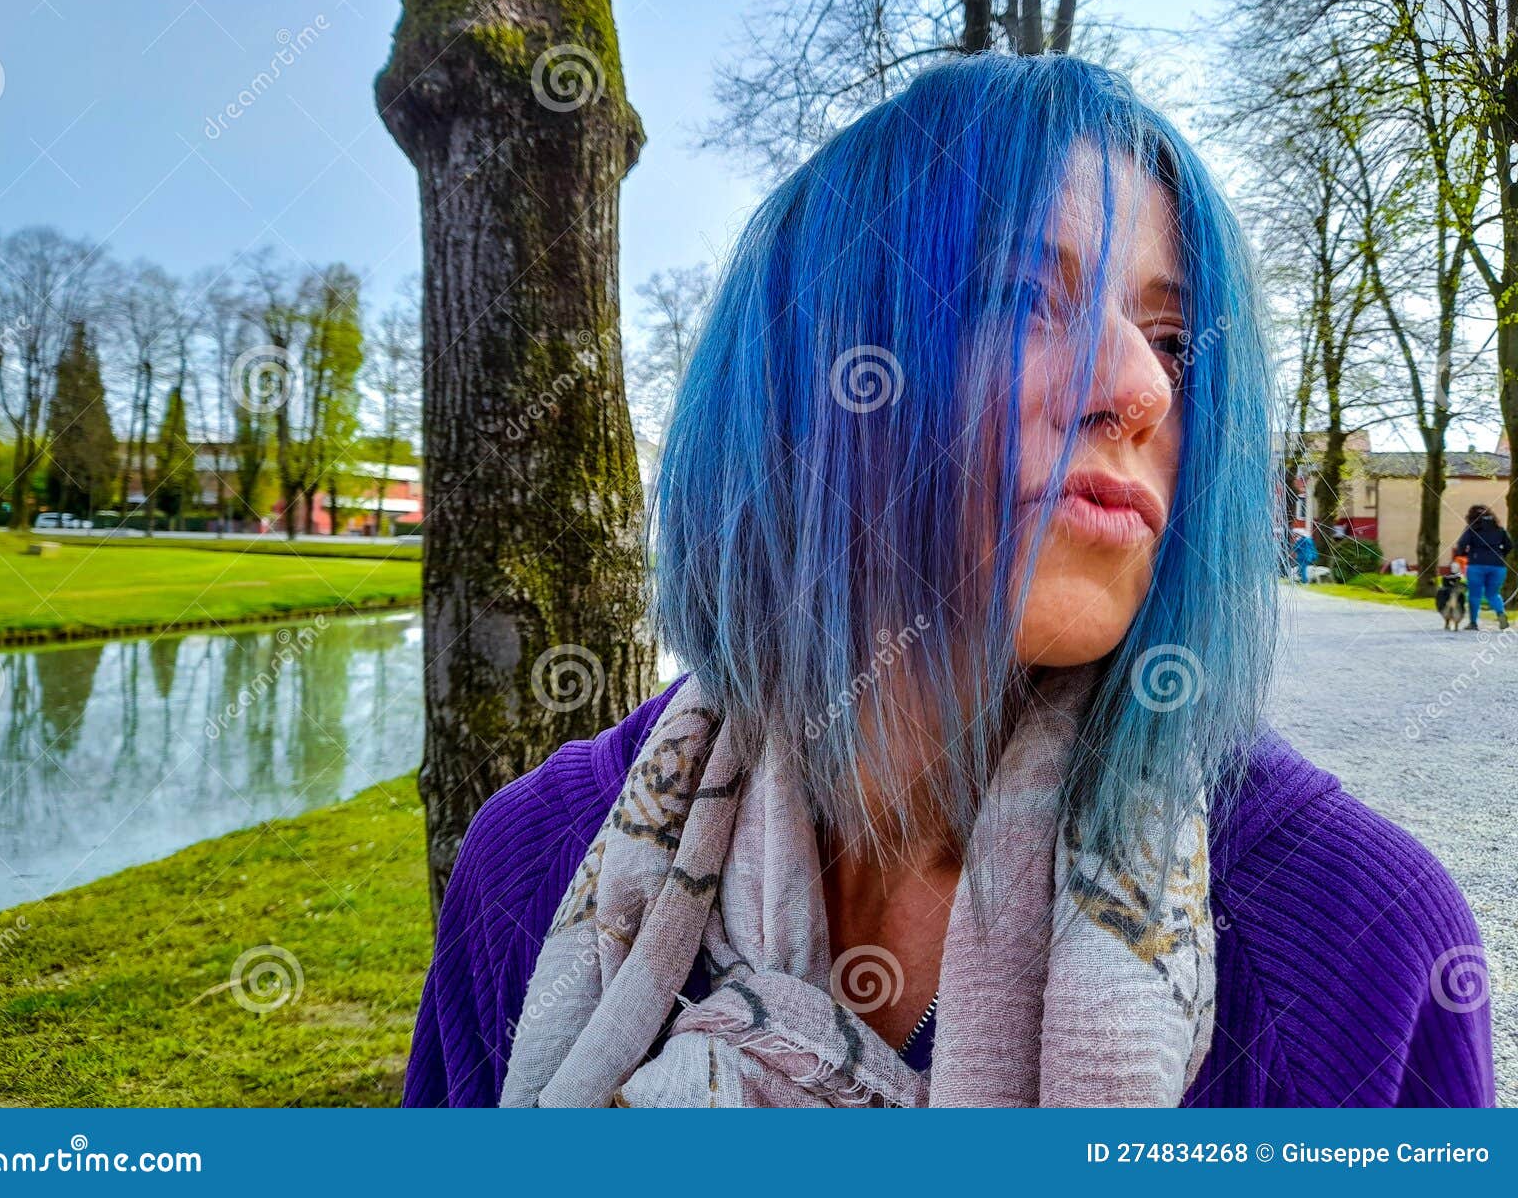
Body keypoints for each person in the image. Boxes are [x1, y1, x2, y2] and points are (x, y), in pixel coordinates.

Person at [403, 55, 1493, 1108]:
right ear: (806, 384)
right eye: (1025, 298)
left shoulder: (1354, 947)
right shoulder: (533, 865)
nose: (1138, 389)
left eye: (1172, 340)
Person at [1453, 504, 1511, 631]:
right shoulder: (1499, 529)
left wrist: (1465, 554)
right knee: (1493, 594)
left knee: (1475, 595)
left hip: (1476, 564)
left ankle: (1473, 623)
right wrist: (1501, 555)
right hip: (1498, 565)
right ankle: (1501, 614)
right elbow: (1509, 545)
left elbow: (1461, 545)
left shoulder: (1472, 529)